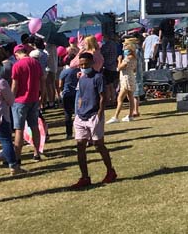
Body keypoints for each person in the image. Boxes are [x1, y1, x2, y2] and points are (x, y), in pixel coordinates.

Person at [70, 51, 116, 189]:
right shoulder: (81, 78)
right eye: (81, 65)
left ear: (92, 63)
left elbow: (103, 96)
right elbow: (80, 96)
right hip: (81, 116)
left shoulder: (98, 77)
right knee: (80, 146)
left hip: (94, 115)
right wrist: (78, 112)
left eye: (86, 64)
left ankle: (110, 171)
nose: (84, 67)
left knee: (98, 144)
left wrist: (100, 113)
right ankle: (84, 177)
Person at [11, 43, 45, 165]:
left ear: (16, 54)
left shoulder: (17, 65)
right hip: (34, 98)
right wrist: (42, 96)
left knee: (19, 129)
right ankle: (36, 152)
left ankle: (17, 156)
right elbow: (42, 80)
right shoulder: (36, 63)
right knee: (34, 126)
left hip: (20, 100)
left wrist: (11, 98)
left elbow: (15, 85)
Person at [109, 43, 139, 123]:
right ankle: (130, 115)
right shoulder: (134, 58)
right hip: (131, 78)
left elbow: (119, 68)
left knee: (120, 98)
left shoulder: (127, 59)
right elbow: (134, 69)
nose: (123, 50)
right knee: (131, 98)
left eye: (125, 49)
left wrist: (119, 60)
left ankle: (116, 116)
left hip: (126, 79)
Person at [58, 54, 79, 140]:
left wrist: (61, 91)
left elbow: (60, 84)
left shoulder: (64, 72)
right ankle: (79, 132)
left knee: (68, 114)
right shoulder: (78, 71)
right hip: (76, 94)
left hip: (67, 94)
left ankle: (69, 133)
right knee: (77, 114)